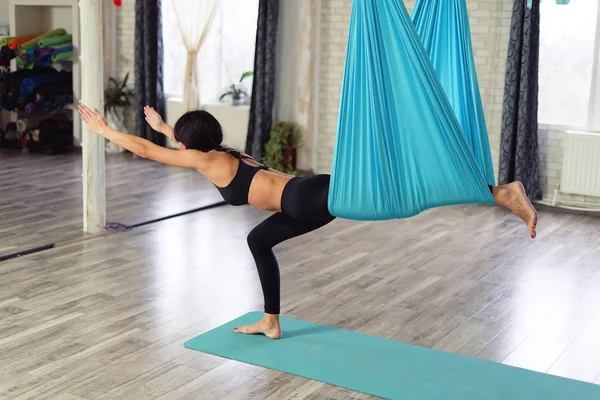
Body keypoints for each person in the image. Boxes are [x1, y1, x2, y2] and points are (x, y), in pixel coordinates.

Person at [78, 104, 538, 340]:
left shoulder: (206, 164)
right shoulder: (222, 153)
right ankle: (271, 322)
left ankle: (498, 192)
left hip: (307, 198)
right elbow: (174, 145)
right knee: (260, 241)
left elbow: (143, 150)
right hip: (303, 200)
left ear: (190, 144)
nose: (176, 142)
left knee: (398, 199)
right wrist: (162, 125)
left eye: (179, 137)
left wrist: (102, 130)